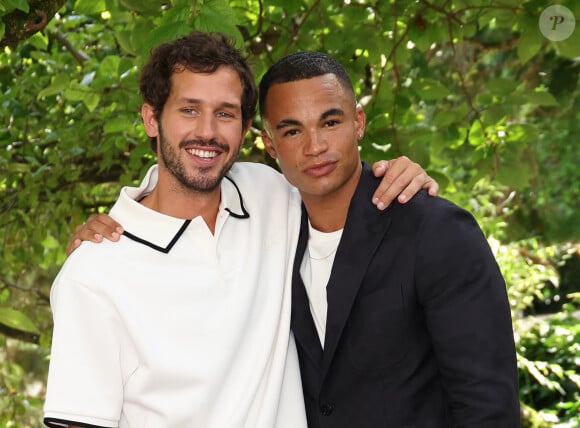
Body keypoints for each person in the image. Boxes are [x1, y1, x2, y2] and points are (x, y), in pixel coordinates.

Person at [44, 32, 437, 428]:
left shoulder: (270, 194)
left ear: (247, 127)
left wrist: (401, 173)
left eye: (226, 113)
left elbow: (334, 178)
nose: (208, 132)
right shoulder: (93, 273)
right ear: (151, 118)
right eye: (189, 110)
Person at [257, 51, 520, 427]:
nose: (314, 146)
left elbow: (487, 406)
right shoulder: (271, 237)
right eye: (293, 130)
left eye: (330, 122)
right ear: (271, 145)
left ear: (358, 122)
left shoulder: (436, 230)